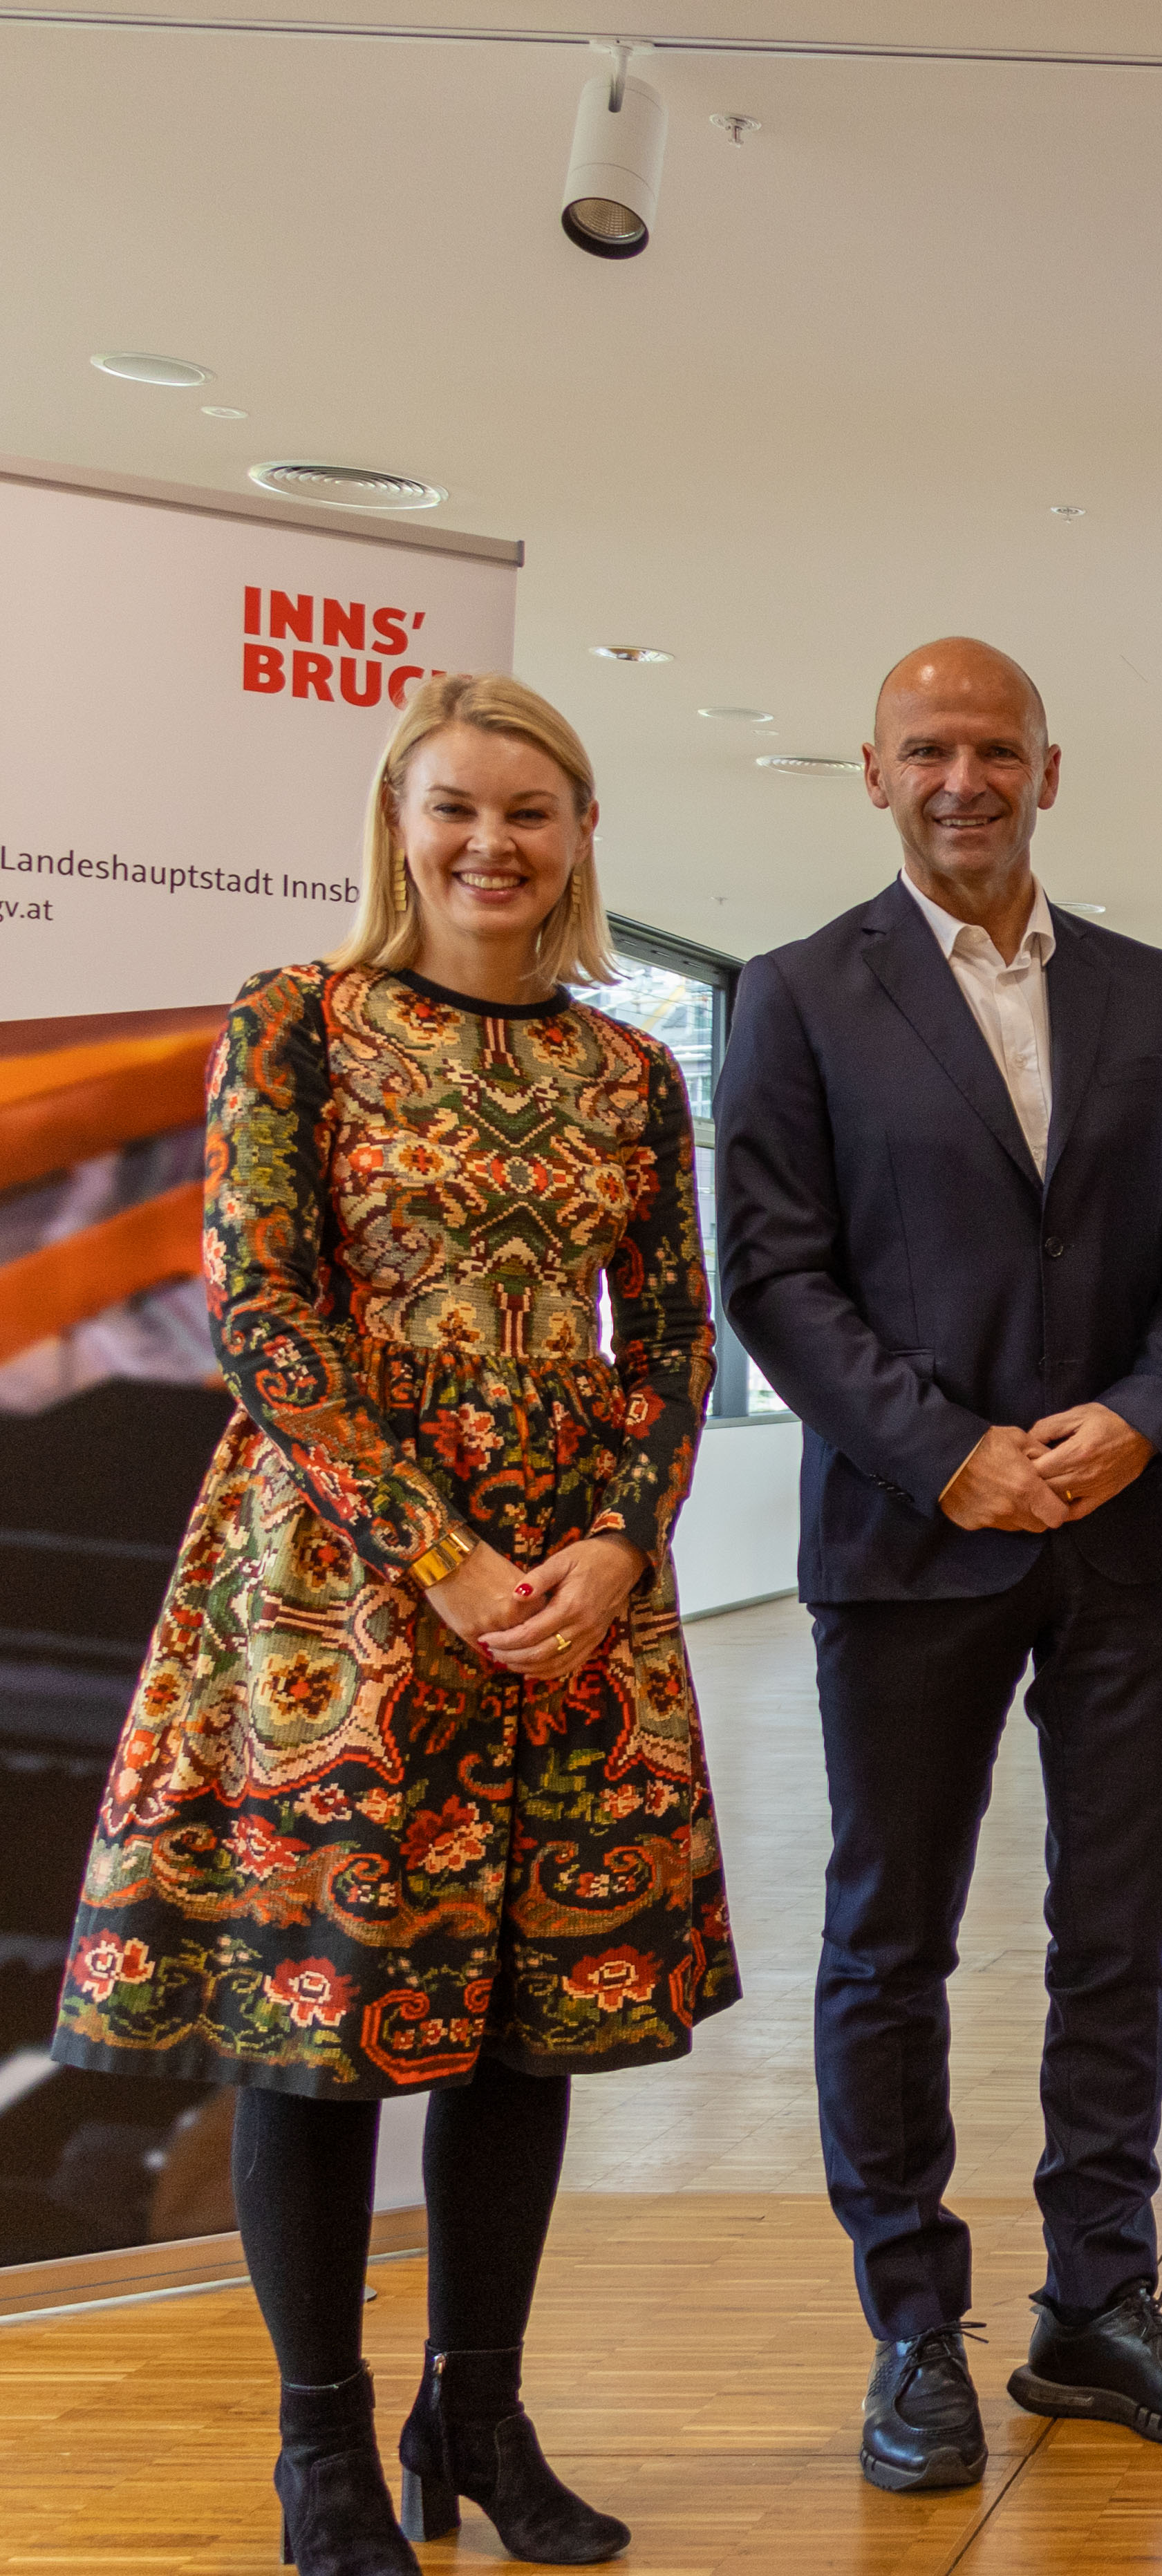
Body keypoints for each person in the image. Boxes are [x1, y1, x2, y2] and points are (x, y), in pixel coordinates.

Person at [52, 674, 731, 2575]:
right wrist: (438, 1552)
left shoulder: (635, 1072)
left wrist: (608, 1550)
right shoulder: (298, 1023)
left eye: (531, 810)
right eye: (457, 809)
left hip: (570, 1601)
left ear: (582, 834)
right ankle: (322, 2453)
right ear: (399, 824)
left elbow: (670, 1346)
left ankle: (480, 2412)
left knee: (526, 2023)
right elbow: (262, 1316)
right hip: (344, 1586)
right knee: (323, 2016)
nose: (492, 845)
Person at [718, 639, 1162, 2492]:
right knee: (891, 1946)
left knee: (1116, 1942)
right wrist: (947, 1453)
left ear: (1052, 769)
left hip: (1129, 1530)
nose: (966, 776)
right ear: (873, 772)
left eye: (997, 749)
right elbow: (776, 1276)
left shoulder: (1147, 990)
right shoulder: (798, 998)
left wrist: (1142, 1417)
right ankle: (910, 2329)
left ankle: (1098, 2303)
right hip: (906, 1534)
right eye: (929, 749)